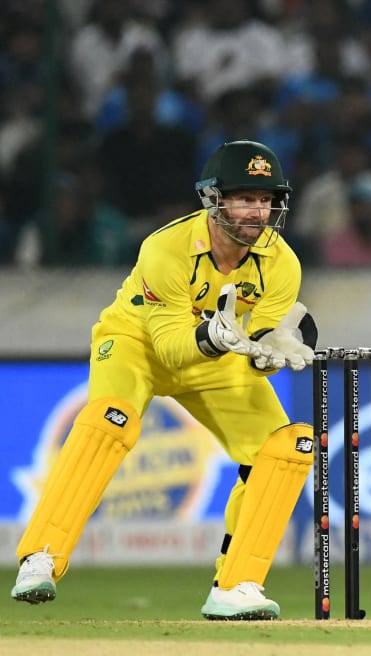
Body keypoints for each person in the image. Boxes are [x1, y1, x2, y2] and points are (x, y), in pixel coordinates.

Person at [10, 140, 318, 620]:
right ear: (214, 199)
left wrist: (270, 355)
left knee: (288, 446)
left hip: (216, 353)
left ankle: (236, 587)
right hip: (137, 343)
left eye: (265, 200)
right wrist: (214, 336)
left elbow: (259, 345)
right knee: (110, 421)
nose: (258, 212)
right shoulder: (165, 248)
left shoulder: (283, 263)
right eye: (245, 198)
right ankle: (41, 556)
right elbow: (172, 348)